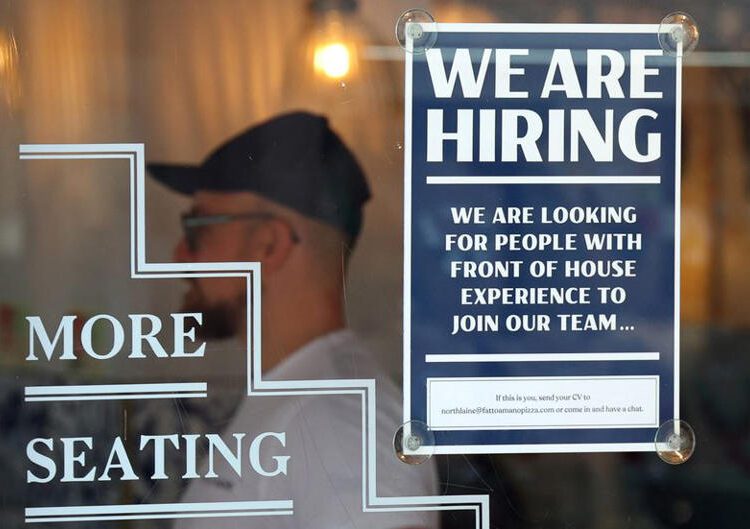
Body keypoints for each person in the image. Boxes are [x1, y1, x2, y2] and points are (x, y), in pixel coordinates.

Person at [148, 112, 438, 528]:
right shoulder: (307, 396)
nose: (180, 254)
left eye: (197, 229)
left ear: (270, 245)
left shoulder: (342, 420)